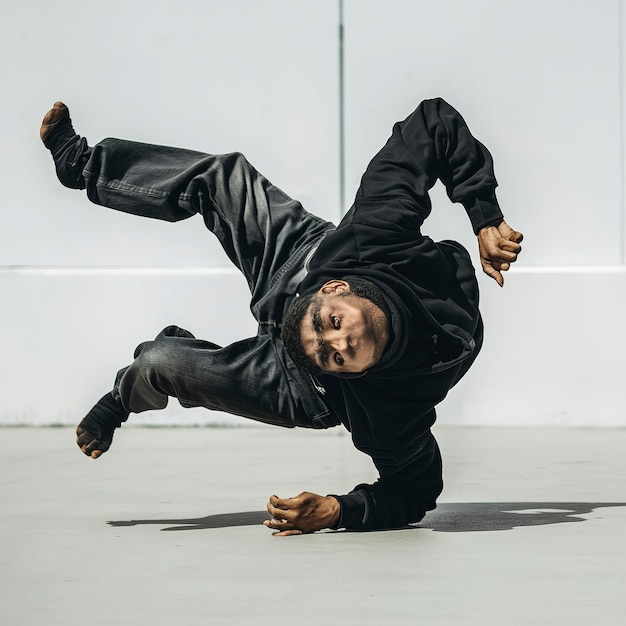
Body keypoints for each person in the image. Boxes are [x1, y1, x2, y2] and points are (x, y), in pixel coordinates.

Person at [40, 97, 523, 536]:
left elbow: (432, 123)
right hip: (305, 294)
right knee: (223, 180)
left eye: (333, 344)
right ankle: (87, 170)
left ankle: (126, 388)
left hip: (300, 357)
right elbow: (429, 122)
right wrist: (345, 510)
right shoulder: (388, 391)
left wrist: (484, 213)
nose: (338, 346)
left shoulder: (378, 243)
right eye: (332, 341)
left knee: (162, 361)